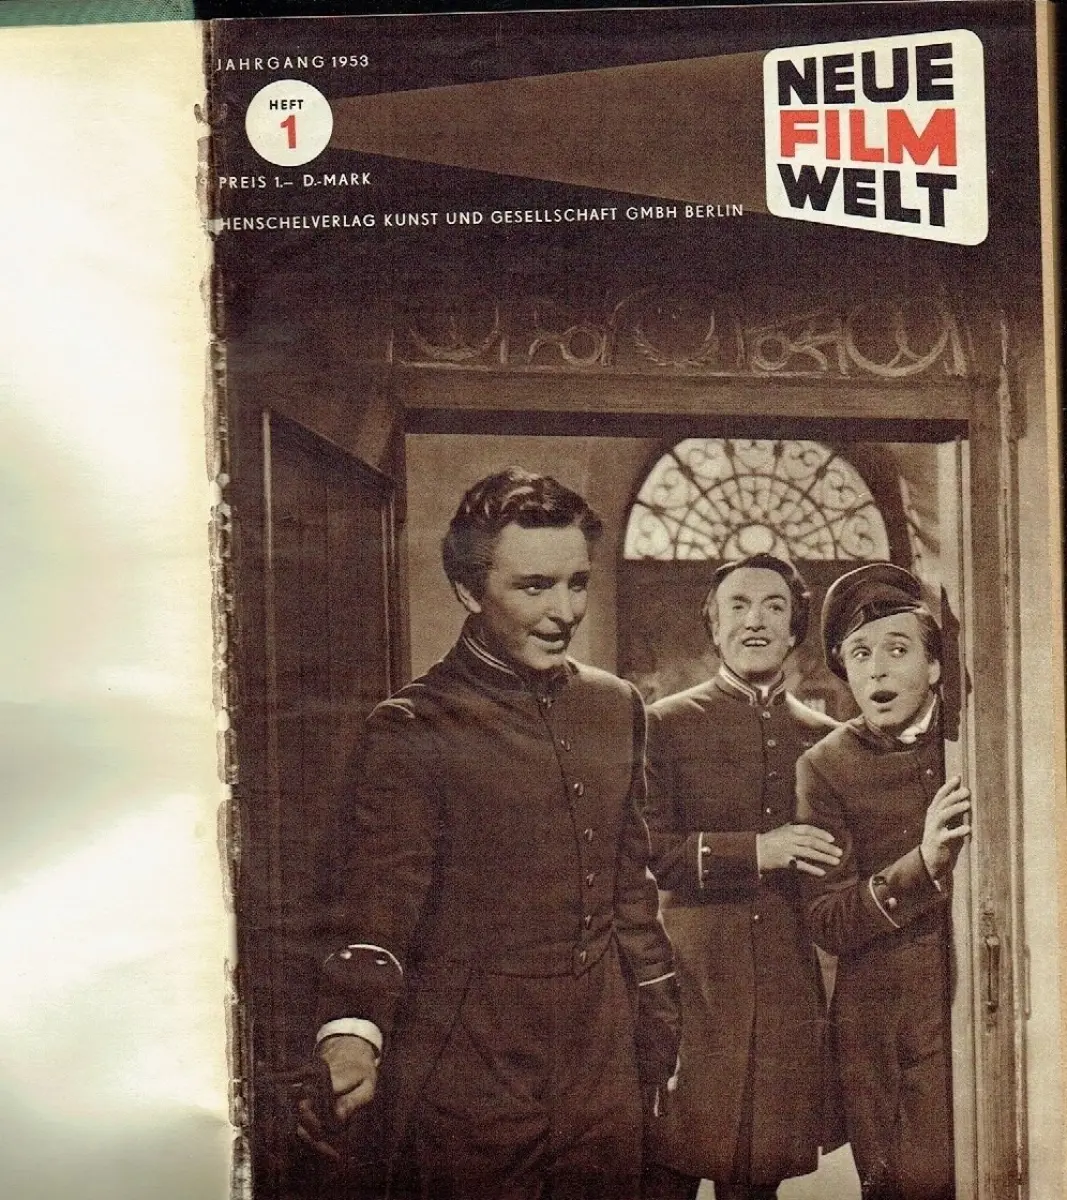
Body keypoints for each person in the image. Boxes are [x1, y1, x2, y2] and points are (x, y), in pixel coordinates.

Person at [296, 467, 680, 1200]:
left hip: (603, 1064)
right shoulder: (412, 726)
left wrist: (659, 1022)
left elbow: (631, 888)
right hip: (469, 1069)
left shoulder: (617, 706)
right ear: (469, 590)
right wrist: (351, 1031)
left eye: (576, 583)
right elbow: (378, 904)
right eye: (534, 587)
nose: (563, 612)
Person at [640, 553, 842, 1200]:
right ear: (714, 625)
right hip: (688, 988)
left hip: (784, 995)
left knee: (755, 1183)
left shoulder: (828, 739)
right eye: (738, 605)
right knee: (662, 1174)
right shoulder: (662, 724)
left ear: (794, 630)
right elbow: (651, 852)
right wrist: (759, 850)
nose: (755, 620)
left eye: (774, 607)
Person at [795, 563, 971, 1200]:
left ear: (935, 665)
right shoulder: (825, 766)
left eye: (897, 650)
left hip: (980, 1010)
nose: (876, 672)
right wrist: (923, 864)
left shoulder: (978, 740)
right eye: (860, 654)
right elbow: (828, 920)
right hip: (886, 1039)